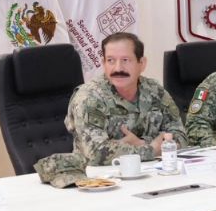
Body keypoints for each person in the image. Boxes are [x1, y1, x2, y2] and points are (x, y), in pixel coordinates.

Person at [65, 32, 187, 166]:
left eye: (125, 60)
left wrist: (141, 143)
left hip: (152, 172)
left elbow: (180, 136)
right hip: (100, 176)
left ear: (141, 63)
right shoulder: (89, 97)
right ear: (103, 63)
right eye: (110, 60)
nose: (118, 68)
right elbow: (96, 153)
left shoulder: (155, 91)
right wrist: (150, 150)